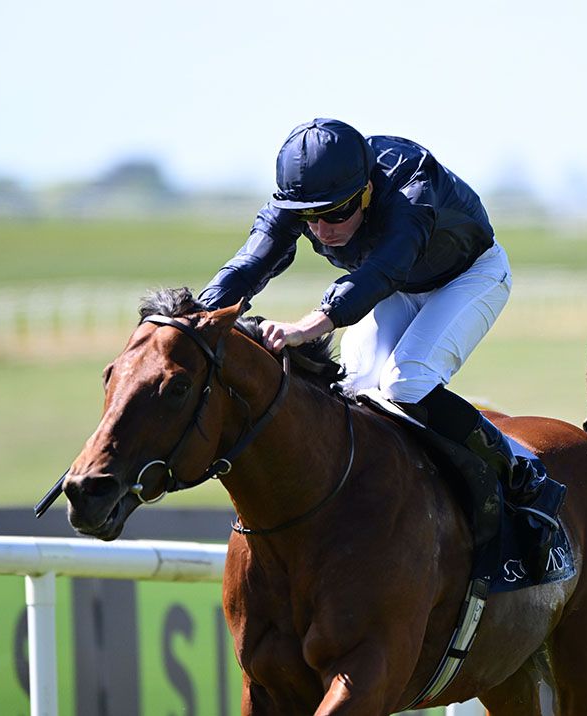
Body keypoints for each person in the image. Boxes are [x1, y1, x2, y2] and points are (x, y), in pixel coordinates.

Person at [199, 118, 564, 576]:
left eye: (334, 214)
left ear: (367, 190)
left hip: (470, 276)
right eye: (310, 218)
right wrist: (194, 317)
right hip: (400, 284)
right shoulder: (306, 195)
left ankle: (523, 474)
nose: (323, 230)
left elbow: (380, 273)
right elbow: (252, 260)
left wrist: (306, 327)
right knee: (354, 390)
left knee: (406, 381)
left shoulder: (412, 187)